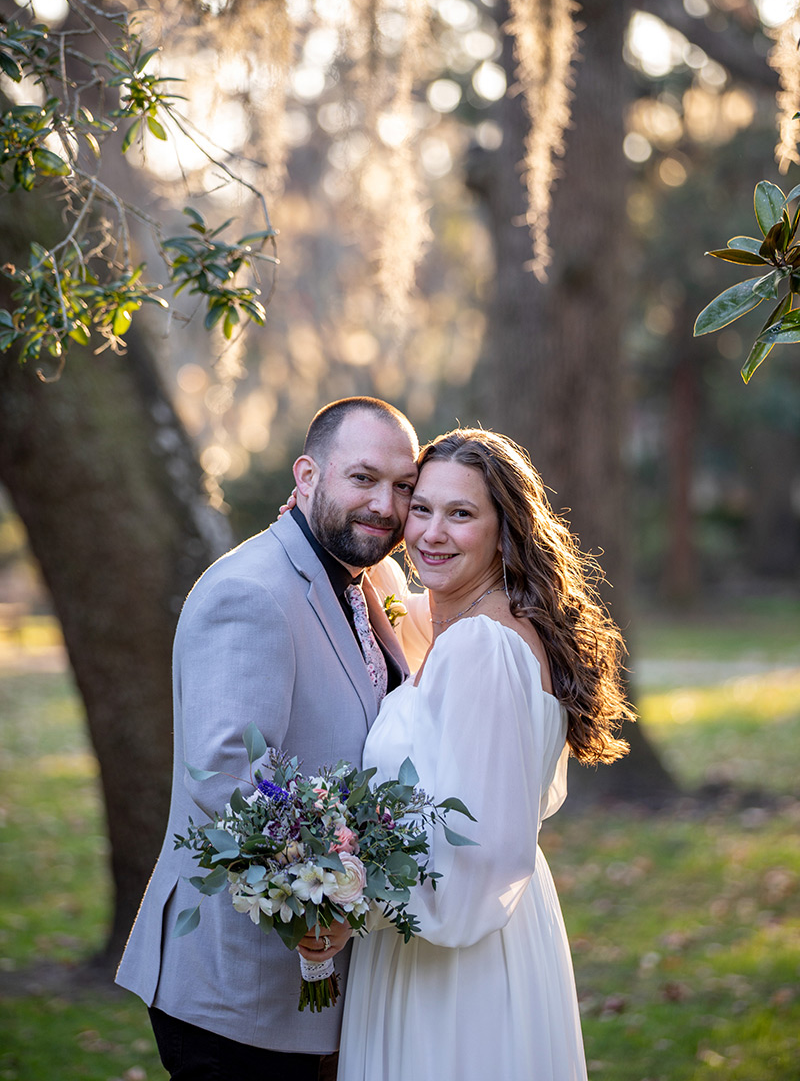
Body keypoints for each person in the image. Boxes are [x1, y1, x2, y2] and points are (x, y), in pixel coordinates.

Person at [116, 396, 427, 1081]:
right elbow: (225, 778)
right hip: (240, 990)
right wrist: (326, 895)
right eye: (364, 478)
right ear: (308, 476)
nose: (385, 503)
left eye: (404, 487)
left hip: (313, 997)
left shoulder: (358, 581)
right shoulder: (252, 593)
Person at [338, 428, 635, 1081]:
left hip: (452, 961)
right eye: (422, 509)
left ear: (504, 530)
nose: (432, 534)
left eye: (461, 514)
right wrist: (325, 517)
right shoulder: (475, 619)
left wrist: (345, 901)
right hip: (476, 933)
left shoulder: (480, 648)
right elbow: (396, 603)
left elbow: (480, 854)